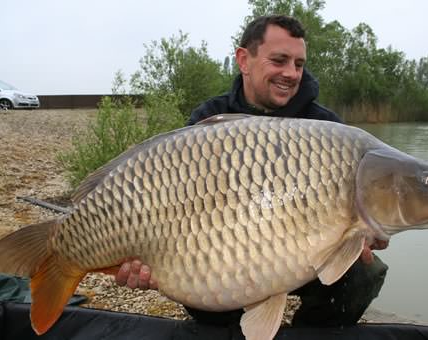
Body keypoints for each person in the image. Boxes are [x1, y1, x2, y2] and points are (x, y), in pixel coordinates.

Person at [115, 14, 389, 328]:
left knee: (365, 274)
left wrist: (369, 230)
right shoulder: (209, 119)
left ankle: (309, 333)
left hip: (309, 256)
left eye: (299, 64)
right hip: (228, 253)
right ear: (244, 60)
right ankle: (228, 330)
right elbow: (171, 208)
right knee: (198, 279)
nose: (291, 73)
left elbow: (361, 211)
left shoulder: (326, 129)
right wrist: (143, 259)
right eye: (279, 60)